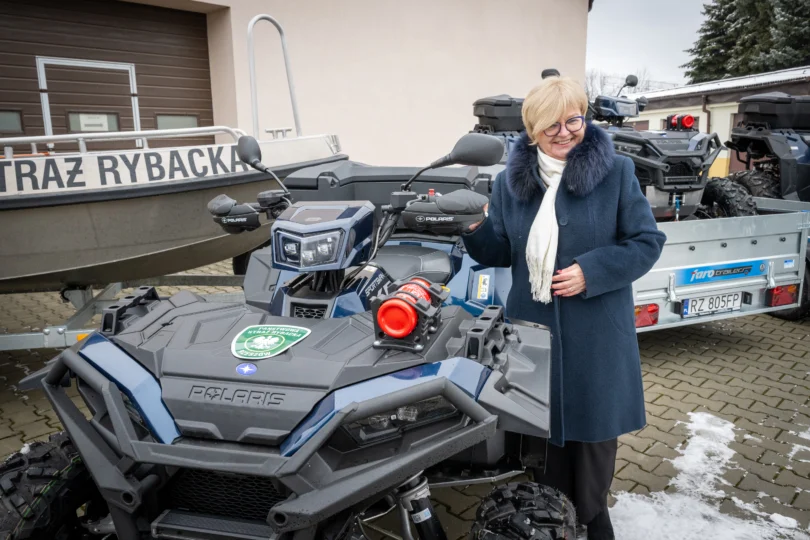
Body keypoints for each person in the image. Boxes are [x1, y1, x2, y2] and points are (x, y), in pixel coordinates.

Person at [463, 76, 666, 539]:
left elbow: (646, 242)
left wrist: (591, 272)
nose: (564, 133)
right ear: (532, 129)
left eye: (573, 120)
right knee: (543, 440)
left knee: (593, 444)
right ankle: (549, 517)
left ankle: (592, 518)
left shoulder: (616, 173)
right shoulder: (510, 183)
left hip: (596, 334)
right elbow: (502, 251)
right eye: (550, 125)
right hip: (533, 334)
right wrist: (474, 228)